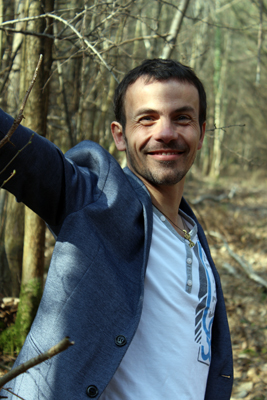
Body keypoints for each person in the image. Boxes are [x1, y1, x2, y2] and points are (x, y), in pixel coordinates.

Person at [0, 59, 233, 400]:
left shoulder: (194, 235)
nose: (165, 132)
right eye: (147, 119)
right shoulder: (93, 202)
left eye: (182, 118)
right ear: (120, 136)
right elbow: (21, 154)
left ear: (200, 134)